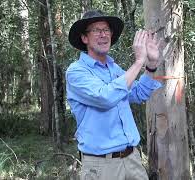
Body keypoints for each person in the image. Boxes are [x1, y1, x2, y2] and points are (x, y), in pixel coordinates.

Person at [66, 9, 161, 180]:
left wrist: (151, 65)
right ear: (84, 38)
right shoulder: (76, 71)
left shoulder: (114, 69)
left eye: (106, 30)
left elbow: (139, 93)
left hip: (132, 160)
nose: (103, 34)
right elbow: (105, 97)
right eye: (97, 30)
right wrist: (139, 61)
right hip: (101, 166)